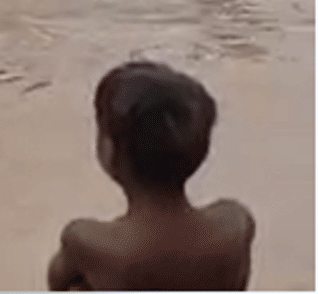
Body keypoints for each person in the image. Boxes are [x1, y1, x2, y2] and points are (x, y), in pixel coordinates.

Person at [46, 61, 253, 291]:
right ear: (203, 150)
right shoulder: (235, 224)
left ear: (108, 149)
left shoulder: (88, 241)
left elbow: (56, 284)